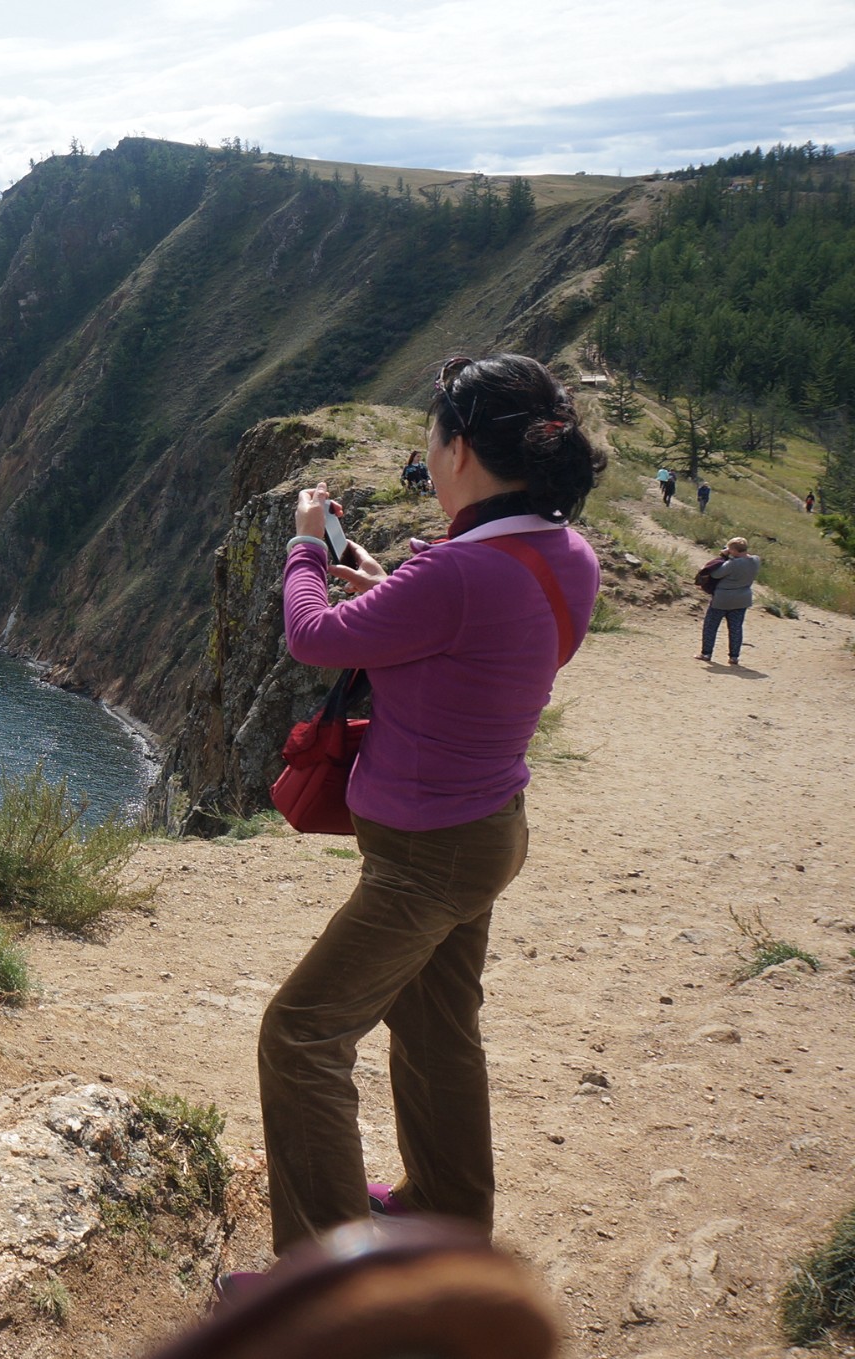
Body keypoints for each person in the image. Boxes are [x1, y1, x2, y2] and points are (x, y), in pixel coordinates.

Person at [259, 353, 602, 1257]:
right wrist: (393, 588)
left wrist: (305, 545)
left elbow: (312, 635)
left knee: (300, 1037)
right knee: (435, 1027)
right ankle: (447, 1213)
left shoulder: (454, 574)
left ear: (457, 450)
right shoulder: (561, 553)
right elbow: (483, 641)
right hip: (488, 828)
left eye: (432, 433)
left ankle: (331, 1293)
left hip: (425, 853)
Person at [698, 536, 760, 665]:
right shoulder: (756, 560)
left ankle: (706, 653)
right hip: (742, 598)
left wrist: (724, 556)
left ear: (734, 550)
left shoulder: (733, 563)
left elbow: (716, 574)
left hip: (723, 598)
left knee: (711, 626)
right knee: (736, 628)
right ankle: (734, 657)